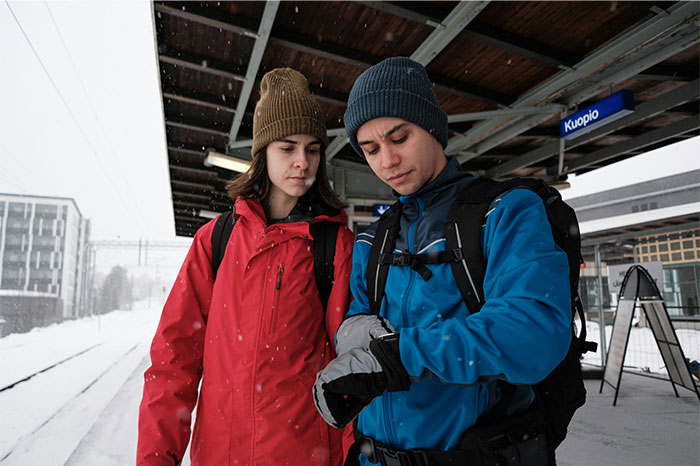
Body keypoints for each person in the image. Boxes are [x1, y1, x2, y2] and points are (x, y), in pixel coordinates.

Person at [313, 57, 572, 465]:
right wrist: (355, 332)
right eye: (371, 149)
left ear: (432, 127)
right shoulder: (372, 242)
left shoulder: (505, 212)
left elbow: (533, 333)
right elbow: (354, 320)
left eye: (399, 138)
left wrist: (399, 356)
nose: (387, 161)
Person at [138, 68, 355, 466]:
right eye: (287, 148)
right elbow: (174, 362)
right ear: (262, 153)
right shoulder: (215, 241)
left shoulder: (333, 246)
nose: (302, 162)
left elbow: (351, 369)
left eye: (312, 149)